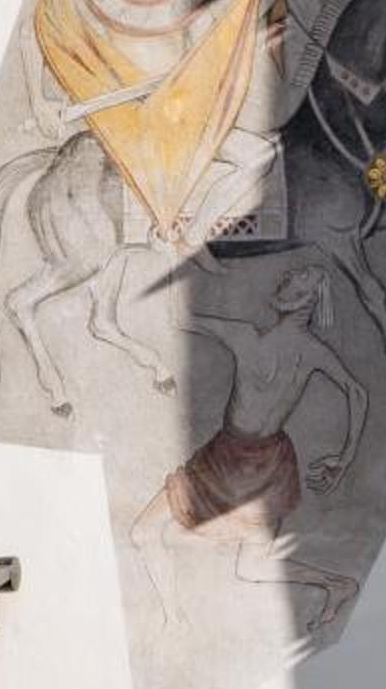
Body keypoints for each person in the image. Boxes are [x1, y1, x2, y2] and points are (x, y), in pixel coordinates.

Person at [31, 0, 283, 251]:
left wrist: (247, 21)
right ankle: (178, 233)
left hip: (170, 112)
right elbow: (40, 27)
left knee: (261, 154)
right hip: (118, 112)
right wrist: (39, 102)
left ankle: (189, 236)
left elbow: (205, 54)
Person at [126, 264, 365, 635]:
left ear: (308, 299)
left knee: (248, 566)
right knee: (149, 534)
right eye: (288, 278)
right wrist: (172, 257)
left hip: (264, 468)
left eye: (296, 279)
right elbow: (179, 318)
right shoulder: (249, 336)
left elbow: (357, 392)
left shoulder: (302, 349)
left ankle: (337, 585)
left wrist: (345, 458)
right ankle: (175, 619)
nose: (284, 280)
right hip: (228, 458)